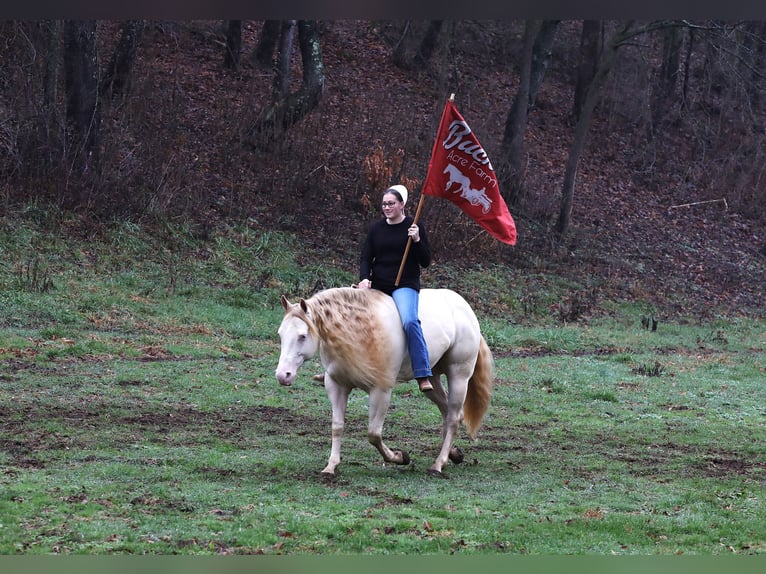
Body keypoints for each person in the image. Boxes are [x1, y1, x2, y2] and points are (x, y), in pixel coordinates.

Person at [357, 184, 434, 393]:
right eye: (384, 204)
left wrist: (417, 240)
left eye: (391, 203)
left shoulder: (414, 226)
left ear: (402, 204)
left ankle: (422, 373)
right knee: (352, 316)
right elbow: (366, 258)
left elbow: (425, 261)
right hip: (379, 284)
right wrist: (364, 279)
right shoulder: (376, 229)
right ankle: (341, 368)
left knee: (409, 321)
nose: (387, 207)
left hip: (404, 285)